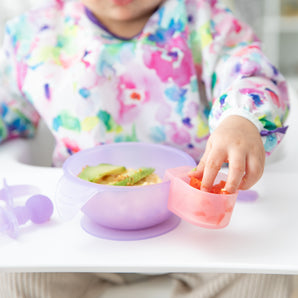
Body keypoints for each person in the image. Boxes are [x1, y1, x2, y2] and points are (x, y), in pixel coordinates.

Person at [0, 0, 291, 297]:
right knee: (16, 276)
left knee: (267, 280)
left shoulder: (206, 18)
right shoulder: (33, 34)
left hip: (195, 225)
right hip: (81, 224)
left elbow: (247, 68)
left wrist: (240, 118)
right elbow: (8, 107)